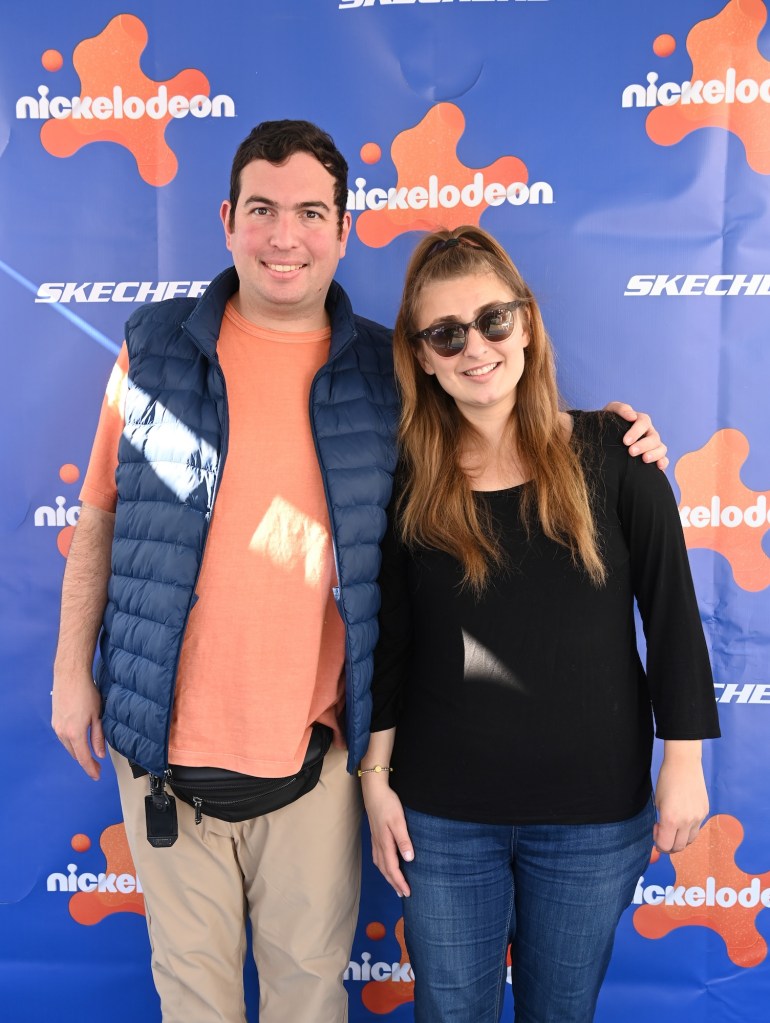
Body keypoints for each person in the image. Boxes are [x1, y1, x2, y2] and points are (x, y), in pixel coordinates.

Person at [51, 121, 668, 1023]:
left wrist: (613, 438)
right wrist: (73, 671)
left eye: (310, 212)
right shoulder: (151, 350)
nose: (284, 236)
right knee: (193, 1002)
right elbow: (100, 516)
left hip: (320, 758)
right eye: (262, 210)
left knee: (308, 998)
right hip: (163, 759)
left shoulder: (391, 370)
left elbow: (501, 425)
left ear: (344, 230)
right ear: (228, 221)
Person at [361, 227, 720, 1023]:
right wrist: (375, 779)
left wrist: (685, 762)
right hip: (443, 820)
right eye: (445, 334)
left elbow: (671, 617)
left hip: (592, 820)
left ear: (526, 322)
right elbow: (391, 644)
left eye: (493, 320)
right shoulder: (409, 484)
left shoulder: (619, 456)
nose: (475, 348)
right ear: (421, 355)